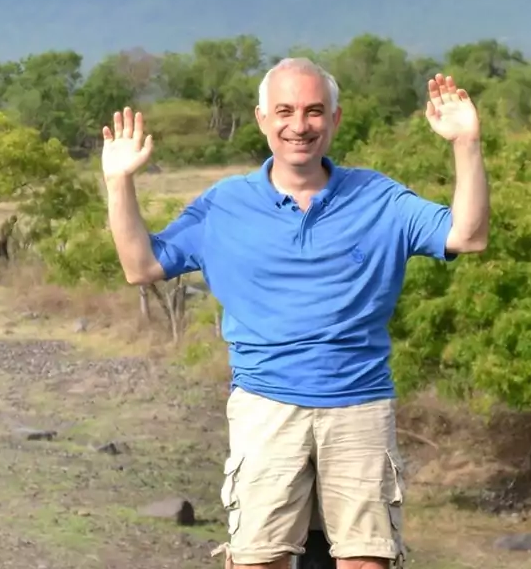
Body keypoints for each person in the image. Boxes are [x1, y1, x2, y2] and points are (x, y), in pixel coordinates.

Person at [101, 58, 490, 569]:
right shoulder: (224, 205)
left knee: (365, 561)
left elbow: (468, 234)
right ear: (262, 118)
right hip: (266, 406)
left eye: (313, 111)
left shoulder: (379, 198)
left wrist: (466, 143)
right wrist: (119, 181)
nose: (298, 125)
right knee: (258, 559)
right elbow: (141, 264)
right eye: (284, 111)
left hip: (359, 406)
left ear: (335, 119)